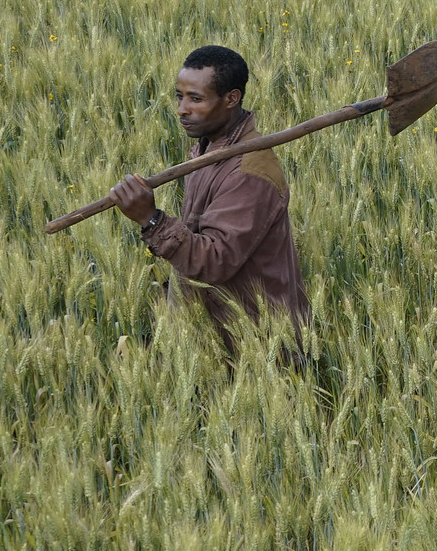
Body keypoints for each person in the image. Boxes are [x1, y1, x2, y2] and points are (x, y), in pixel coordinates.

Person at [111, 45, 311, 348]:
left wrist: (151, 220)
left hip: (253, 342)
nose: (181, 109)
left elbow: (216, 261)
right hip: (215, 335)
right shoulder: (209, 148)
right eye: (180, 96)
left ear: (231, 98)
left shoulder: (249, 172)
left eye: (196, 99)